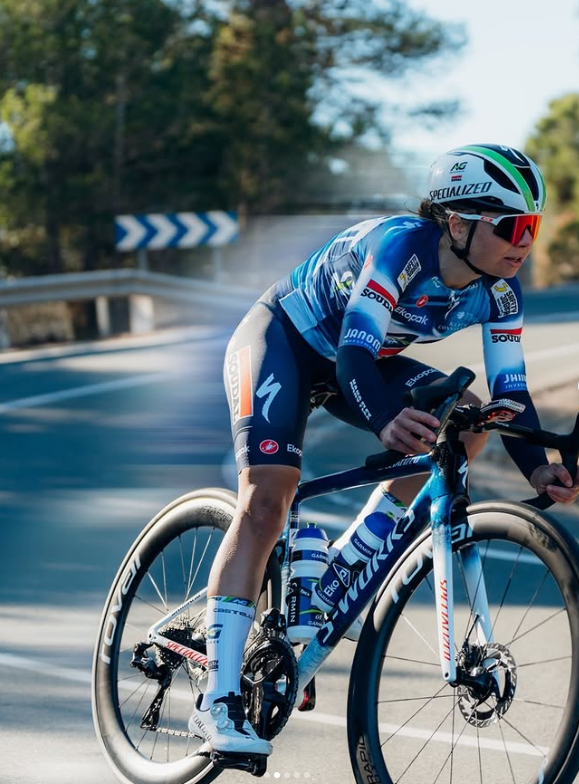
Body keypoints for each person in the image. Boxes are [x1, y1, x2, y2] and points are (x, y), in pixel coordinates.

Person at [189, 143, 579, 755]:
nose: (524, 241)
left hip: (364, 363)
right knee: (268, 497)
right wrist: (386, 423)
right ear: (457, 221)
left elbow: (513, 393)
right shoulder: (401, 248)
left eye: (533, 225)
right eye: (511, 225)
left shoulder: (500, 290)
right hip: (286, 341)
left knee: (468, 420)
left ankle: (354, 554)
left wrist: (542, 469)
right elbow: (353, 355)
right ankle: (217, 701)